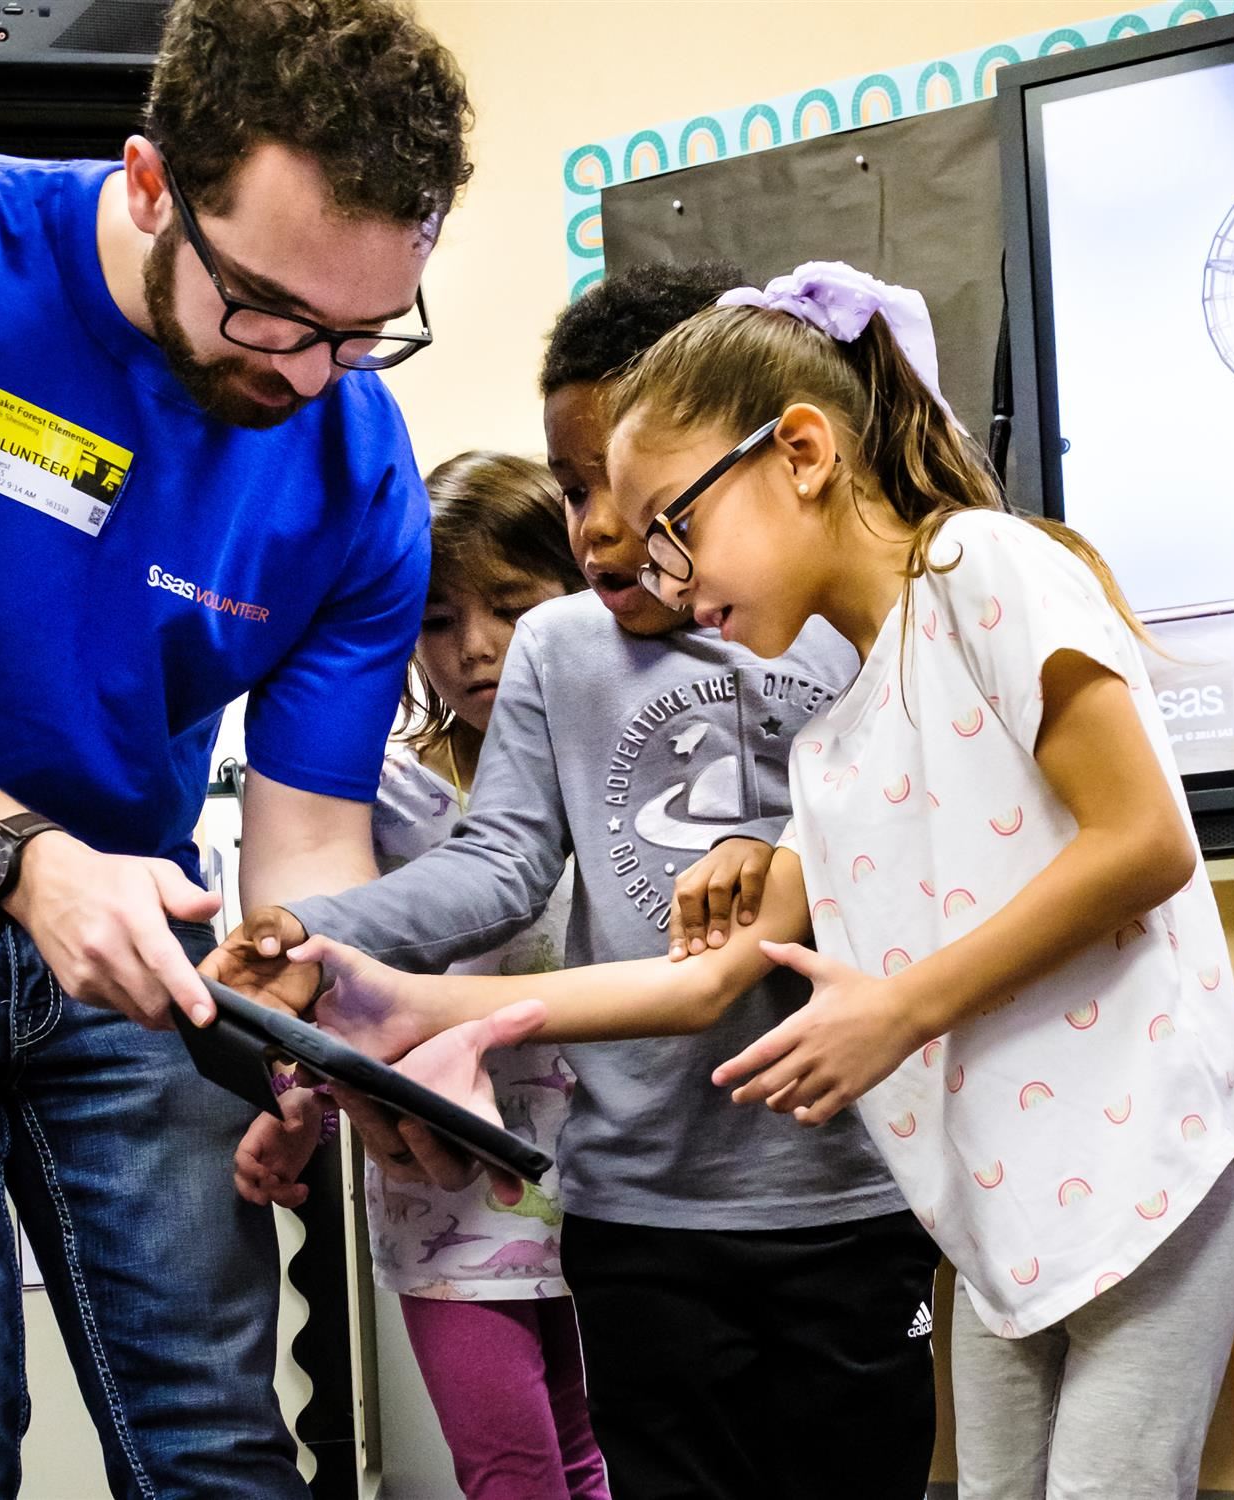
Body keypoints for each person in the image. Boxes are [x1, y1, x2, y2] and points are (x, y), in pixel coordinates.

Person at [286, 262, 1234, 1500]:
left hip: (1140, 1179)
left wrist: (902, 1007)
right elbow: (699, 987)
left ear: (799, 453)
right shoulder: (840, 750)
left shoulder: (986, 568)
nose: (663, 575)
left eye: (676, 524)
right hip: (1002, 1221)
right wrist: (404, 1004)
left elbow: (1147, 845)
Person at [0, 1, 476, 1493]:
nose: (314, 372)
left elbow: (310, 841)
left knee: (216, 1445)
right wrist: (23, 865)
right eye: (272, 312)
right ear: (151, 185)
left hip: (133, 945)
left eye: (364, 328)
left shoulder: (355, 459)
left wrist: (310, 1016)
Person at [225, 263, 941, 1500]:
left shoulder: (852, 623)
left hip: (845, 1191)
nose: (599, 527)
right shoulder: (561, 647)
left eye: (628, 487)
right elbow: (499, 865)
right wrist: (317, 926)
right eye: (572, 488)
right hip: (641, 1210)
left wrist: (769, 850)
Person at [238, 450, 606, 1499]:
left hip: (607, 1181)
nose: (477, 649)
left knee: (591, 1452)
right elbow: (333, 976)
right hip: (446, 1199)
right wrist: (292, 1101)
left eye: (512, 605)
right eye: (439, 620)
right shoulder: (390, 793)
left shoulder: (620, 767)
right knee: (510, 1471)